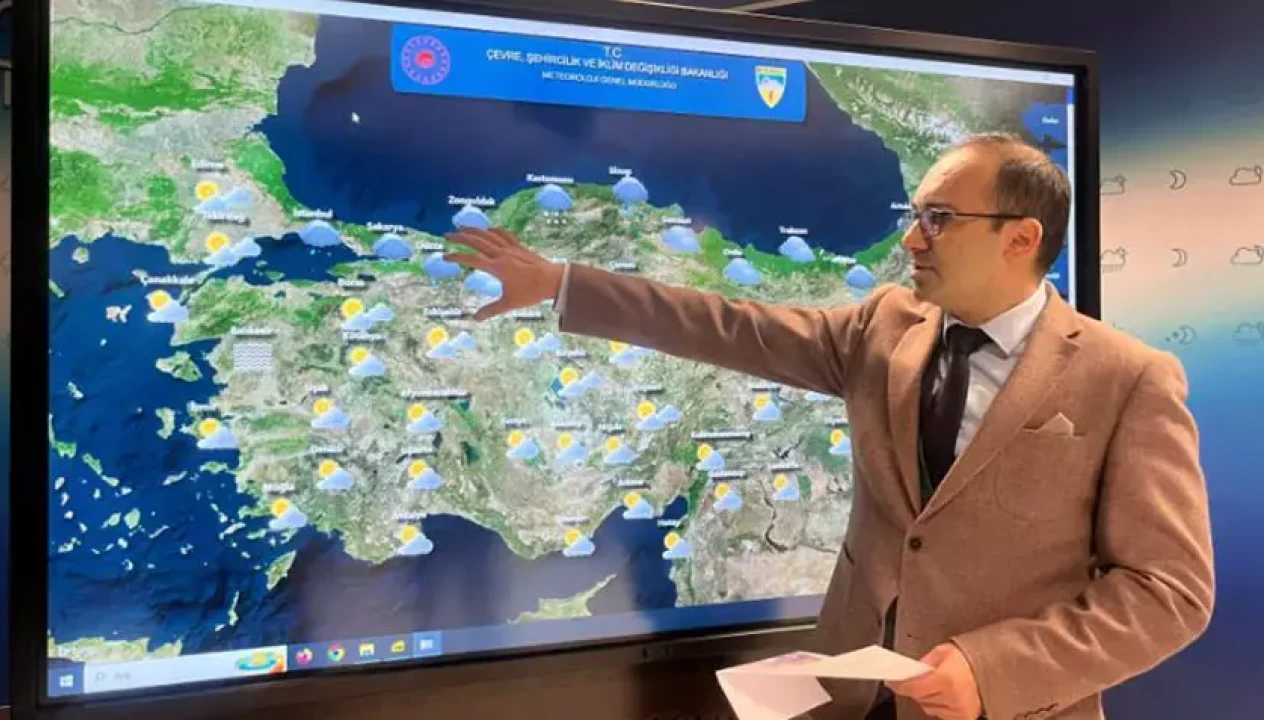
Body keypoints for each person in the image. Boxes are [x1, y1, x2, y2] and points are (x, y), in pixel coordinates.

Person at [442, 132, 1214, 720]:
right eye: (915, 216)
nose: (911, 240)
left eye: (939, 220)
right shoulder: (885, 328)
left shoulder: (1127, 379)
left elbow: (1170, 593)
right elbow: (730, 325)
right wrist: (564, 284)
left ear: (1021, 239)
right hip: (851, 701)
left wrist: (990, 670)